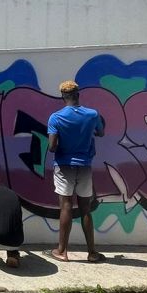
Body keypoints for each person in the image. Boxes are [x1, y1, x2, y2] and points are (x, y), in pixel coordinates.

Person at [47, 80, 106, 263]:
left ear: (63, 97)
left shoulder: (56, 117)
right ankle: (92, 252)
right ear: (78, 95)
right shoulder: (92, 114)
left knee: (66, 206)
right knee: (85, 209)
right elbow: (101, 133)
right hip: (85, 166)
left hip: (64, 166)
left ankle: (62, 251)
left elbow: (52, 147)